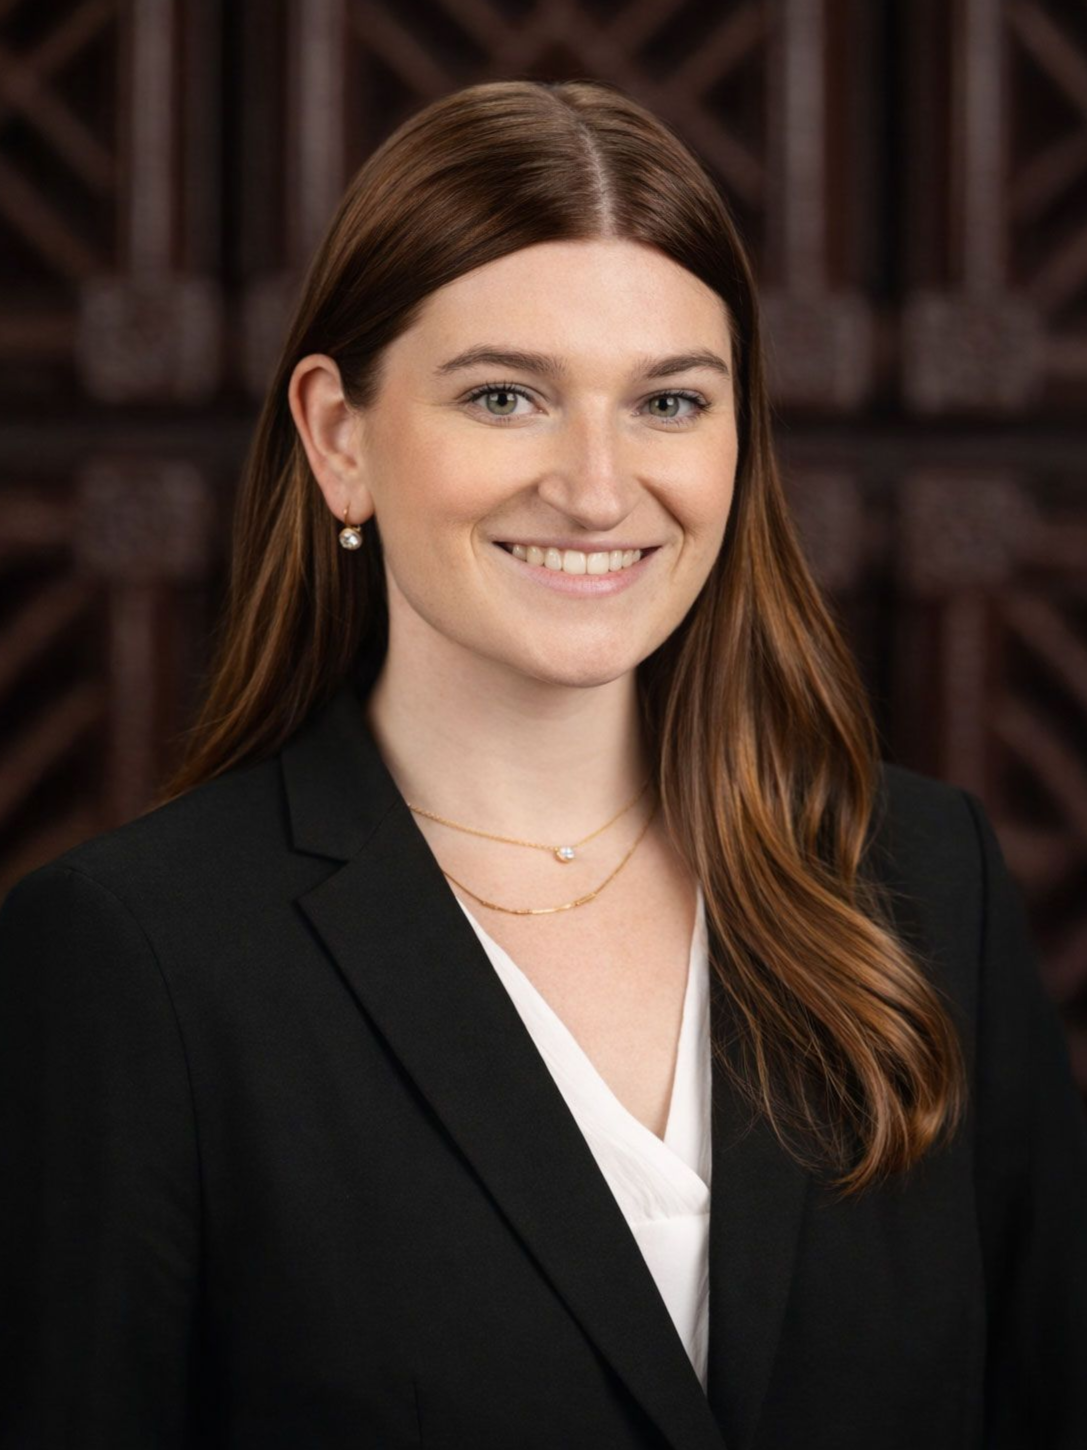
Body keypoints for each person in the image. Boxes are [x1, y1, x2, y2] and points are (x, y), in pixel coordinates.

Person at [1, 78, 1085, 1450]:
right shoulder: (132, 959)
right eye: (506, 395)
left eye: (668, 402)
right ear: (339, 437)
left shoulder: (926, 884)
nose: (594, 484)